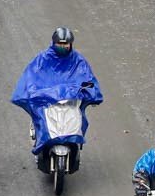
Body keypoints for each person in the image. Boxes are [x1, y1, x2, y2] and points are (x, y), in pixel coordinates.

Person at [11, 28, 103, 167]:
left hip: (70, 103)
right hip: (47, 104)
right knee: (41, 120)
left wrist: (89, 91)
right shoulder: (42, 60)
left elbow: (88, 80)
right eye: (60, 43)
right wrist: (33, 91)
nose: (63, 46)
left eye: (66, 44)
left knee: (78, 120)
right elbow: (31, 77)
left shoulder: (78, 61)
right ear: (54, 43)